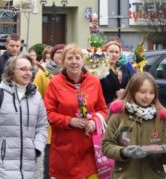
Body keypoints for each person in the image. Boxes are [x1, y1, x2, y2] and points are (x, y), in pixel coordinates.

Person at [0, 54, 48, 178]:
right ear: (11, 71)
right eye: (23, 69)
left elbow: (42, 126)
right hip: (2, 160)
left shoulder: (36, 96)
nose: (28, 73)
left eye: (30, 69)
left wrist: (36, 147)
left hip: (29, 161)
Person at [44, 44, 108, 179]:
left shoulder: (94, 82)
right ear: (63, 62)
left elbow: (103, 109)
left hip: (90, 147)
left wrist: (94, 122)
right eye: (70, 58)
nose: (74, 61)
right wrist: (69, 121)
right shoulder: (55, 83)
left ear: (82, 61)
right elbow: (48, 113)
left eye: (77, 58)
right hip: (66, 148)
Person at [102, 72, 166, 178]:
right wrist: (123, 152)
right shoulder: (119, 115)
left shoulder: (161, 118)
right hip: (125, 175)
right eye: (142, 92)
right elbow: (106, 145)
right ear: (132, 90)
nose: (147, 96)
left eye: (152, 92)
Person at [33, 43, 65, 179]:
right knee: (50, 156)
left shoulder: (71, 73)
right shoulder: (42, 73)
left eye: (64, 52)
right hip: (49, 121)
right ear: (52, 55)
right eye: (58, 52)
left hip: (67, 121)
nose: (61, 55)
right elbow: (35, 94)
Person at [100, 38, 134, 105]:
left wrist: (125, 92)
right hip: (106, 105)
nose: (114, 54)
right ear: (105, 52)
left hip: (124, 105)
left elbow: (132, 84)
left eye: (116, 52)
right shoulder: (100, 69)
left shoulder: (124, 67)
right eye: (111, 51)